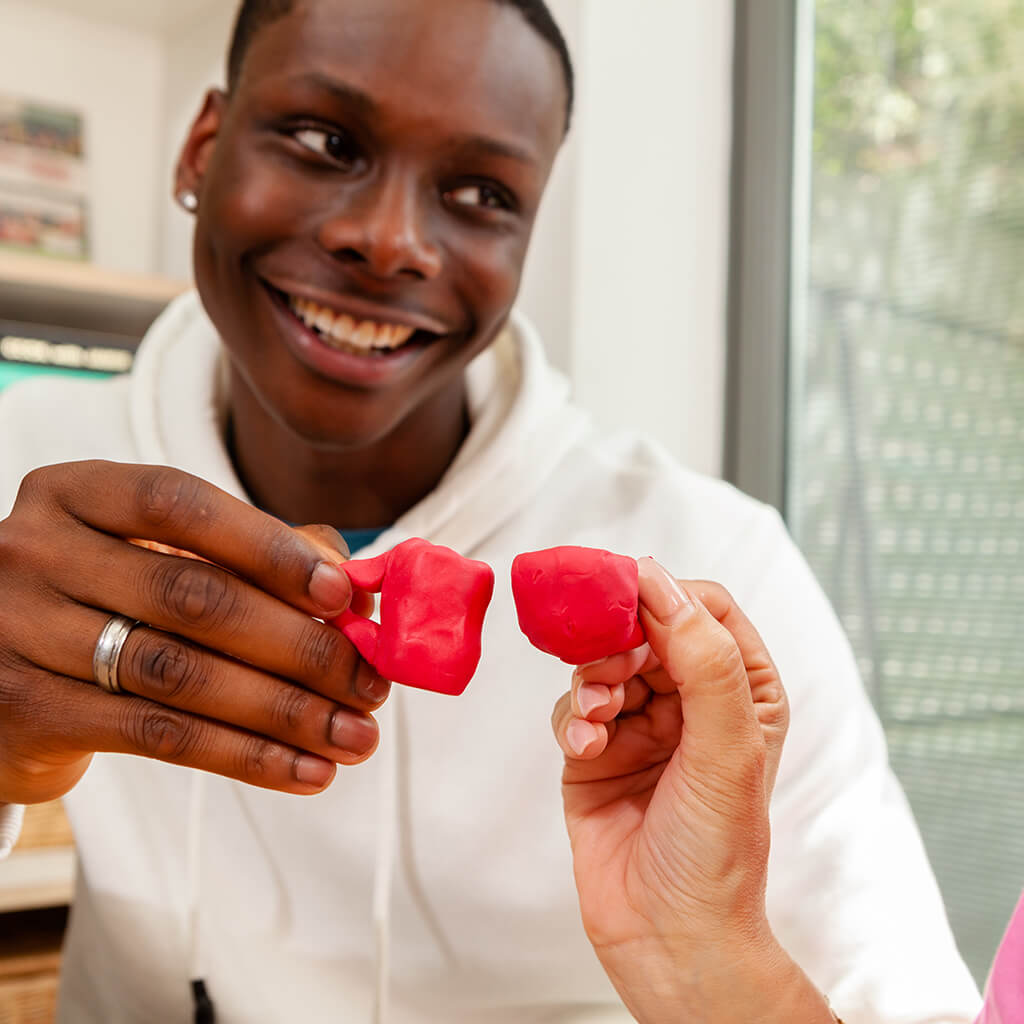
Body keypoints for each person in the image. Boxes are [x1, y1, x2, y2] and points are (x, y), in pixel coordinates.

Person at [0, 0, 982, 1020]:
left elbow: (901, 993)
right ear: (202, 149)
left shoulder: (717, 567)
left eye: (480, 193)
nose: (388, 242)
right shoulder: (32, 477)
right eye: (324, 141)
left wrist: (705, 954)